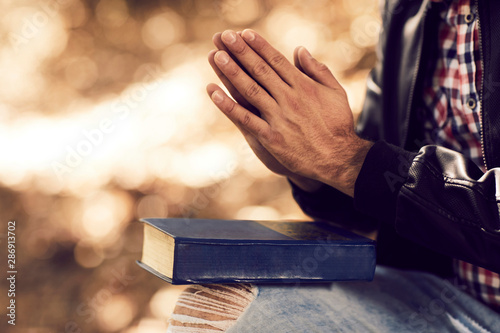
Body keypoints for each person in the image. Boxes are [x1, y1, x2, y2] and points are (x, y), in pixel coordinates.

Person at [168, 0, 500, 331]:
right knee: (212, 307)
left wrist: (347, 158)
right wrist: (309, 166)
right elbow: (373, 195)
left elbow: (361, 163)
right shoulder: (407, 11)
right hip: (433, 292)